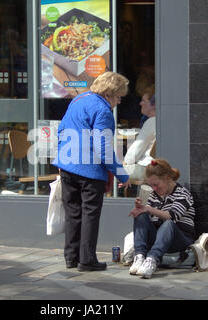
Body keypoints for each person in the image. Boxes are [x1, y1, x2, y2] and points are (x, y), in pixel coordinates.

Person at [53, 71, 131, 272]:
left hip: (68, 166)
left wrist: (62, 159)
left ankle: (71, 257)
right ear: (110, 93)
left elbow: (61, 129)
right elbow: (103, 148)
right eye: (119, 97)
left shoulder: (79, 99)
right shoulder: (103, 111)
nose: (119, 102)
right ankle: (87, 260)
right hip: (89, 170)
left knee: (73, 212)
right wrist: (122, 175)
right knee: (90, 214)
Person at [128, 158, 195, 279]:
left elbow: (172, 216)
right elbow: (147, 218)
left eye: (156, 184)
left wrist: (147, 208)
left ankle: (152, 259)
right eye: (151, 185)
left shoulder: (183, 193)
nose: (153, 188)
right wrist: (140, 209)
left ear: (167, 179)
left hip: (179, 239)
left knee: (168, 224)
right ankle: (139, 256)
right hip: (158, 238)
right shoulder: (153, 195)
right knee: (141, 216)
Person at [123, 87, 156, 181]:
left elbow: (136, 149)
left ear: (154, 105)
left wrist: (125, 162)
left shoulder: (151, 122)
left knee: (114, 171)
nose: (140, 103)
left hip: (146, 167)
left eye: (144, 101)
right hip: (154, 167)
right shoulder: (160, 121)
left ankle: (113, 194)